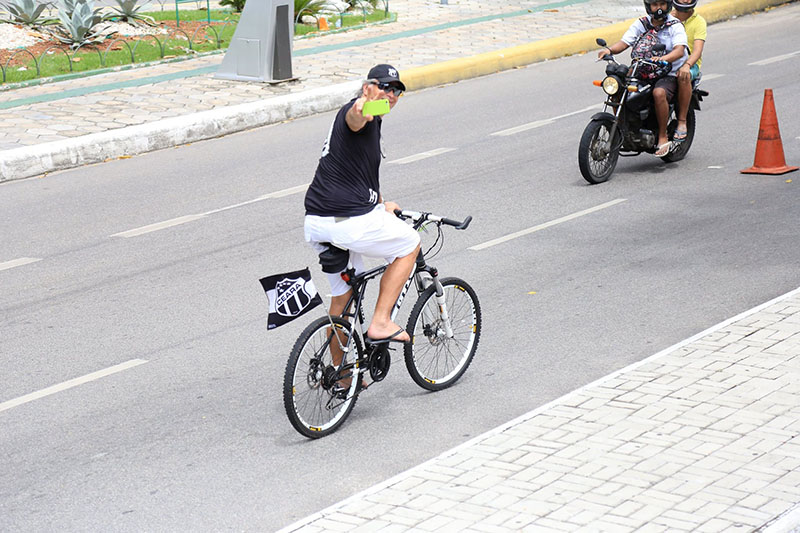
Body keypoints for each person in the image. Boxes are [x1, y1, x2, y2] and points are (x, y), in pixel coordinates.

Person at [304, 64, 420, 348]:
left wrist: (380, 205)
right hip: (348, 222)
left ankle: (340, 380)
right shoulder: (357, 113)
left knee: (343, 300)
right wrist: (363, 106)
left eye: (396, 91)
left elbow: (359, 173)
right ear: (368, 87)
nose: (391, 95)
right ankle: (381, 321)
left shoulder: (374, 119)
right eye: (385, 87)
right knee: (410, 244)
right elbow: (357, 116)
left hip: (319, 221)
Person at [598, 0, 688, 156]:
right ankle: (623, 128)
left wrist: (664, 58)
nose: (658, 8)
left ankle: (662, 136)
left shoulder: (675, 25)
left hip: (668, 72)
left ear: (668, 5)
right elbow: (624, 43)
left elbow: (679, 50)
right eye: (654, 4)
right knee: (617, 85)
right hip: (642, 70)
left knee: (659, 93)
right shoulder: (642, 24)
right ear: (649, 6)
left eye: (662, 4)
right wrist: (609, 50)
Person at [672, 0, 706, 142]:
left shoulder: (699, 22)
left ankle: (682, 121)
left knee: (683, 77)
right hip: (667, 61)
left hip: (690, 65)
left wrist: (687, 65)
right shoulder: (667, 17)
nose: (685, 0)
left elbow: (697, 51)